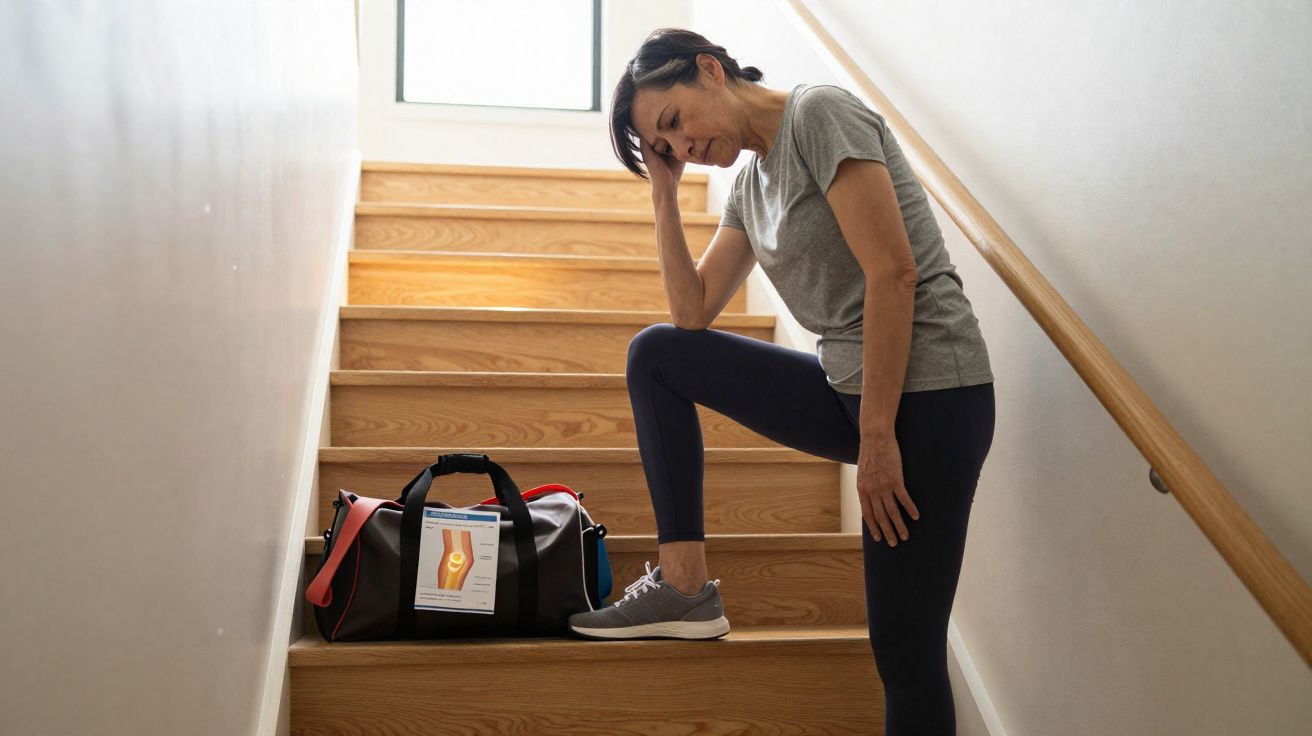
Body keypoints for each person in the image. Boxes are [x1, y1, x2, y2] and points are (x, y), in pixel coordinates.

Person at [567, 27, 996, 735]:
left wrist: (879, 437)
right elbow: (692, 311)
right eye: (665, 147)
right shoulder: (750, 185)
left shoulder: (819, 115)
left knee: (905, 649)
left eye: (675, 122)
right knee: (658, 355)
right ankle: (684, 586)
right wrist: (665, 196)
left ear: (710, 71)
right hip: (850, 390)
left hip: (933, 398)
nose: (683, 147)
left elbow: (894, 272)